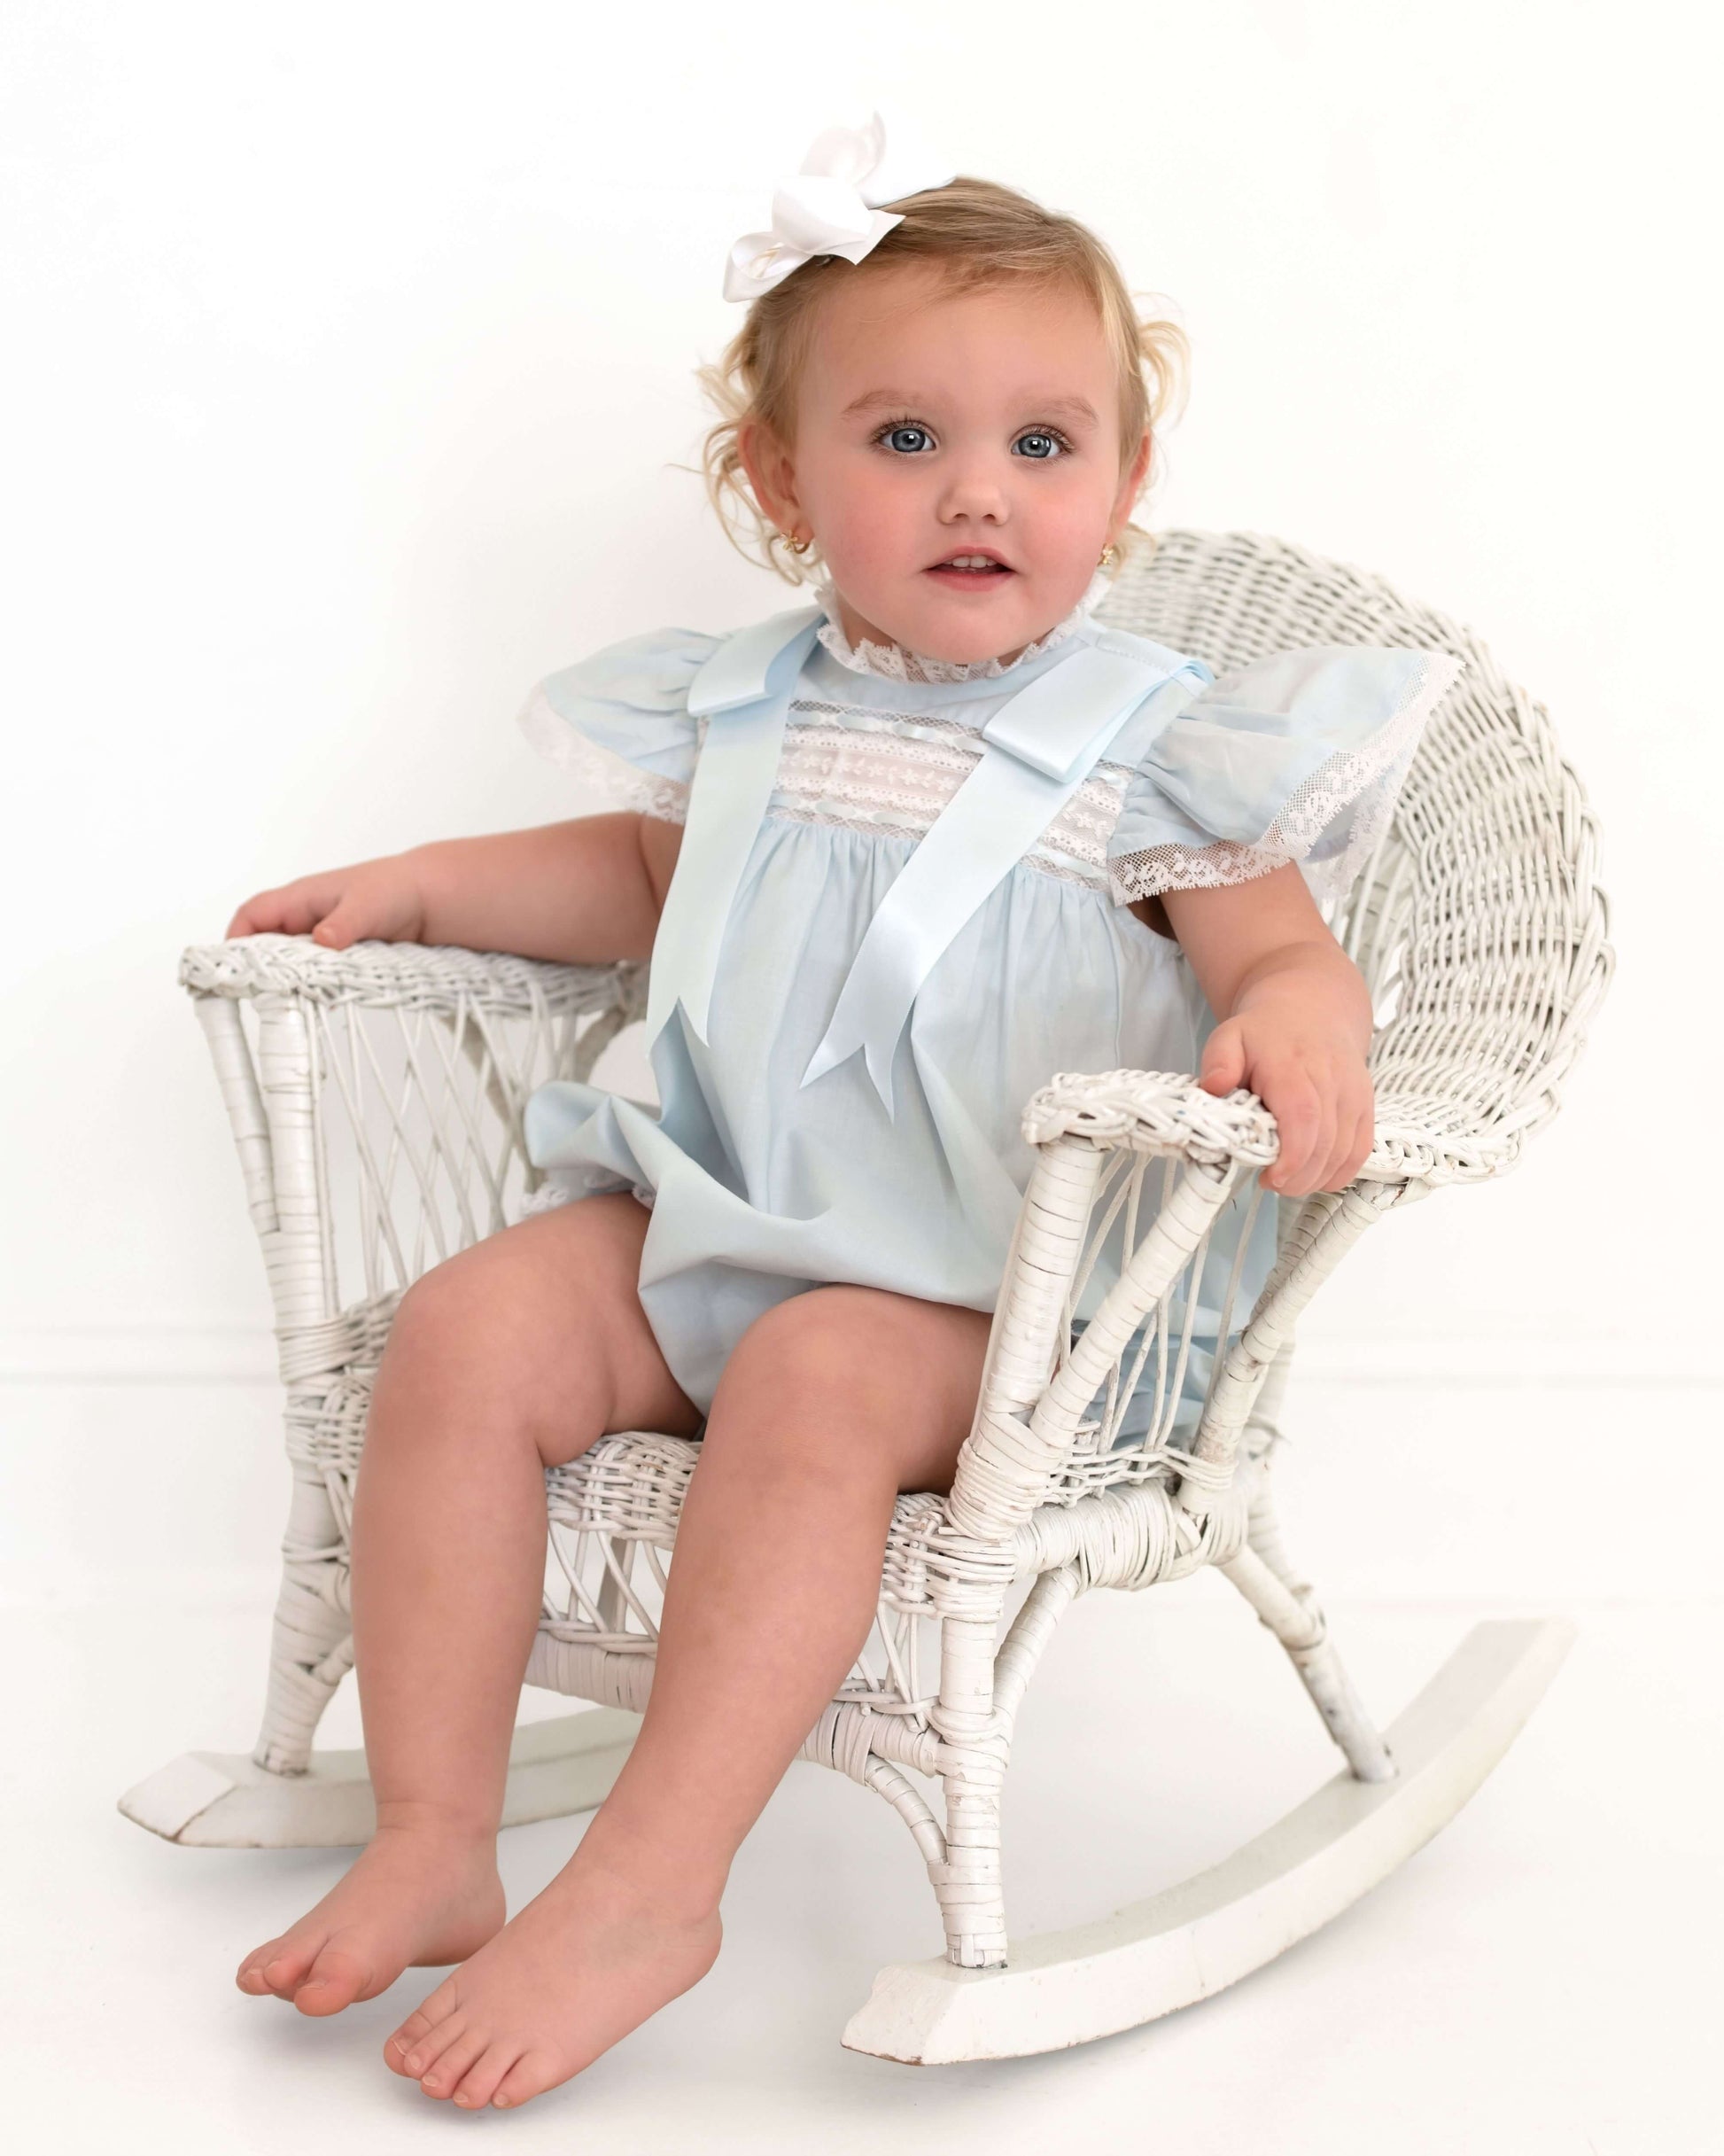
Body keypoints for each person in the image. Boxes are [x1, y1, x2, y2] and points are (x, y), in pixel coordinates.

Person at [223, 116, 1462, 2112]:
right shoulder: (747, 705)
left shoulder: (1158, 746)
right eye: (904, 440)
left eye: (1043, 446)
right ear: (778, 479)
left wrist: (1302, 1022)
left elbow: (1270, 949)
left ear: (1123, 484)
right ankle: (436, 1823)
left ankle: (648, 1878)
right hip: (715, 1209)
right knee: (464, 1328)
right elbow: (642, 888)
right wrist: (430, 882)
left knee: (806, 1374)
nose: (979, 490)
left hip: (980, 1294)